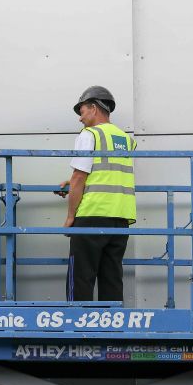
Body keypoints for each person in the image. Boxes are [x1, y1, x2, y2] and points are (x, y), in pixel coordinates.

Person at [58, 86, 136, 302]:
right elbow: (109, 171)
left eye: (81, 111)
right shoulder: (125, 139)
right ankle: (110, 331)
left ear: (93, 108)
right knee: (112, 277)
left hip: (92, 215)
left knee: (80, 277)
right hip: (120, 217)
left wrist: (70, 217)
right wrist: (72, 180)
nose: (80, 118)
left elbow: (79, 177)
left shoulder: (90, 134)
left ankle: (78, 328)